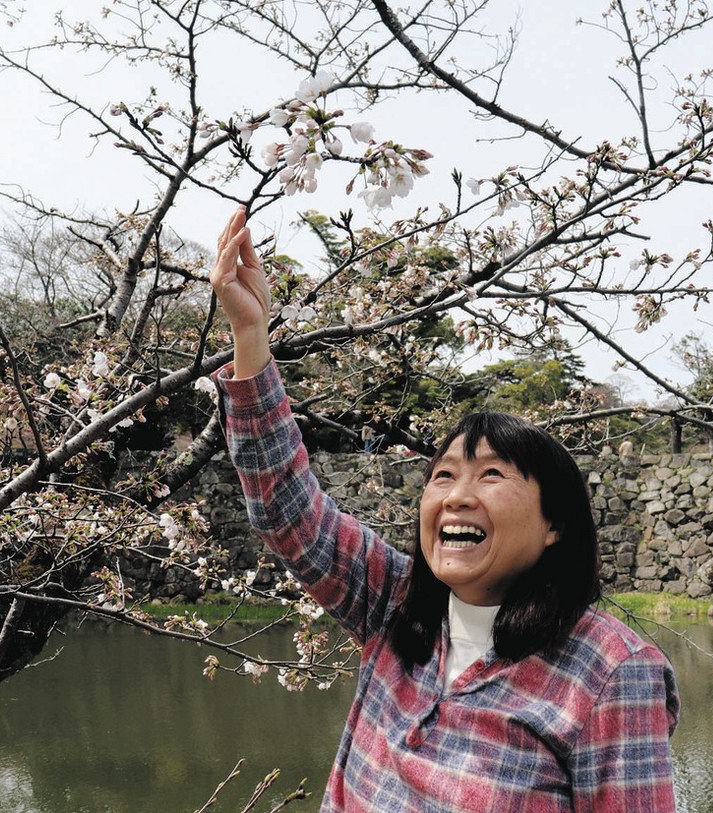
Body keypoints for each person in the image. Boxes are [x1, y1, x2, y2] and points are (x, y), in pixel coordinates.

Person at [208, 206, 680, 811]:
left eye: (490, 475)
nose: (457, 495)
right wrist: (251, 339)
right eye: (444, 476)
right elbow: (287, 511)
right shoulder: (395, 603)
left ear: (555, 525)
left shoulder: (613, 671)